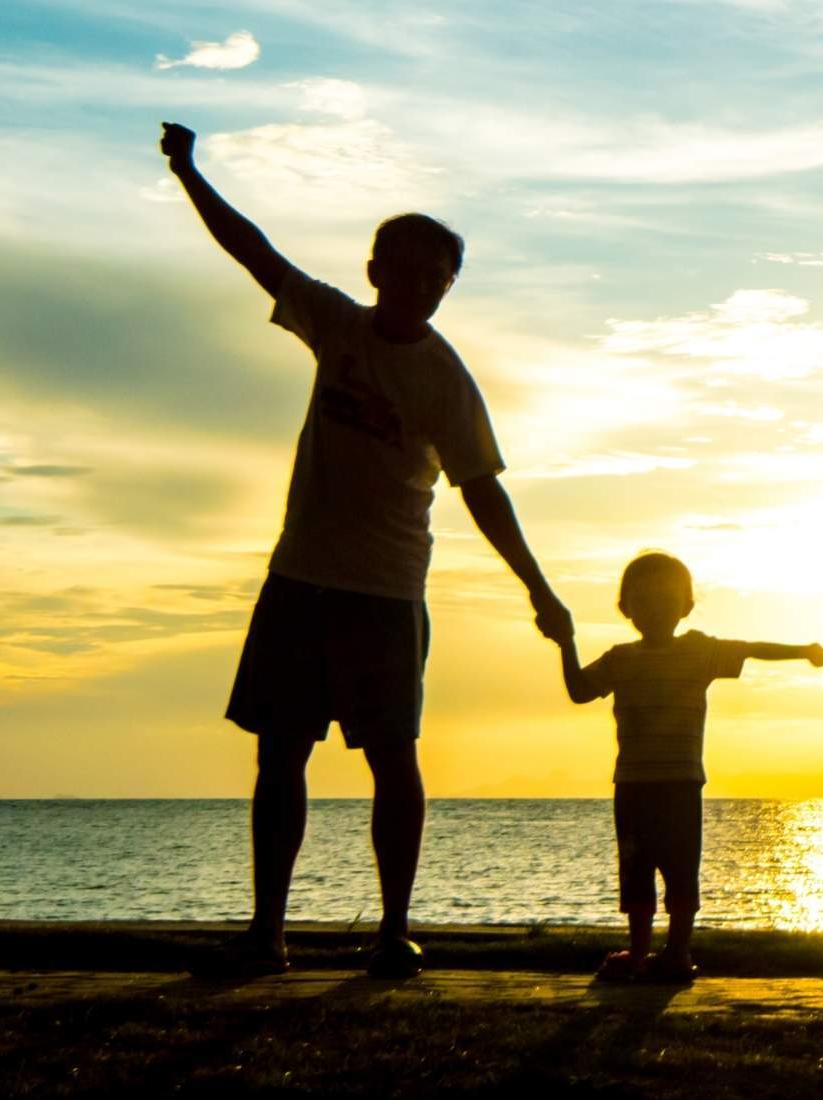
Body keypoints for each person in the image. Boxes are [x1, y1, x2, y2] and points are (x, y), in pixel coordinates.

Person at [161, 121, 573, 979]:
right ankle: (267, 932)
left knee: (393, 758)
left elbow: (483, 490)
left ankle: (393, 931)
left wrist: (538, 585)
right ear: (375, 268)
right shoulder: (337, 325)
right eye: (410, 269)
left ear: (448, 288)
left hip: (386, 594)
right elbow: (254, 253)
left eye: (441, 278)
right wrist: (190, 173)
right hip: (301, 581)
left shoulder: (447, 382)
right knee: (280, 751)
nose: (423, 287)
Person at [558, 551, 823, 983]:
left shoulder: (699, 651)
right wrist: (565, 643)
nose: (655, 607)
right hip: (632, 786)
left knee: (682, 871)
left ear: (685, 606)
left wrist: (804, 651)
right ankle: (641, 954)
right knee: (637, 872)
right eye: (643, 599)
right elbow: (578, 691)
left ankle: (678, 952)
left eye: (666, 598)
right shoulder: (619, 659)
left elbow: (754, 649)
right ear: (626, 608)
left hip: (681, 784)